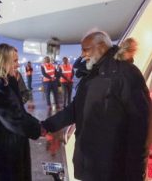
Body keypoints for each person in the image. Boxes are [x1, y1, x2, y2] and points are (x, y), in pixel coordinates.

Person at [41, 30, 152, 180]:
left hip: (113, 169)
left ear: (101, 46)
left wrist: (136, 172)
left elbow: (142, 125)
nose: (82, 54)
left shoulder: (125, 74)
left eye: (85, 49)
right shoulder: (92, 75)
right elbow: (74, 109)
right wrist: (46, 126)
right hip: (91, 167)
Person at [0, 43, 42, 181]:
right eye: (15, 61)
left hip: (10, 153)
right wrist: (39, 128)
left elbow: (19, 112)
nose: (18, 65)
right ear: (3, 61)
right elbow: (14, 118)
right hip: (2, 158)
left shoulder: (7, 82)